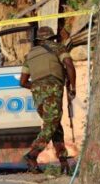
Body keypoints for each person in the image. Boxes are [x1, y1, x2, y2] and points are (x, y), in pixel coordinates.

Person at [19, 26, 76, 174]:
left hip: (37, 92)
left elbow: (23, 82)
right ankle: (32, 154)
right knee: (52, 124)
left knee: (54, 125)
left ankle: (64, 162)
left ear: (39, 40)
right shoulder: (58, 48)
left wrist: (38, 87)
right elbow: (69, 65)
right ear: (52, 38)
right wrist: (72, 87)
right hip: (53, 88)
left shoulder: (30, 55)